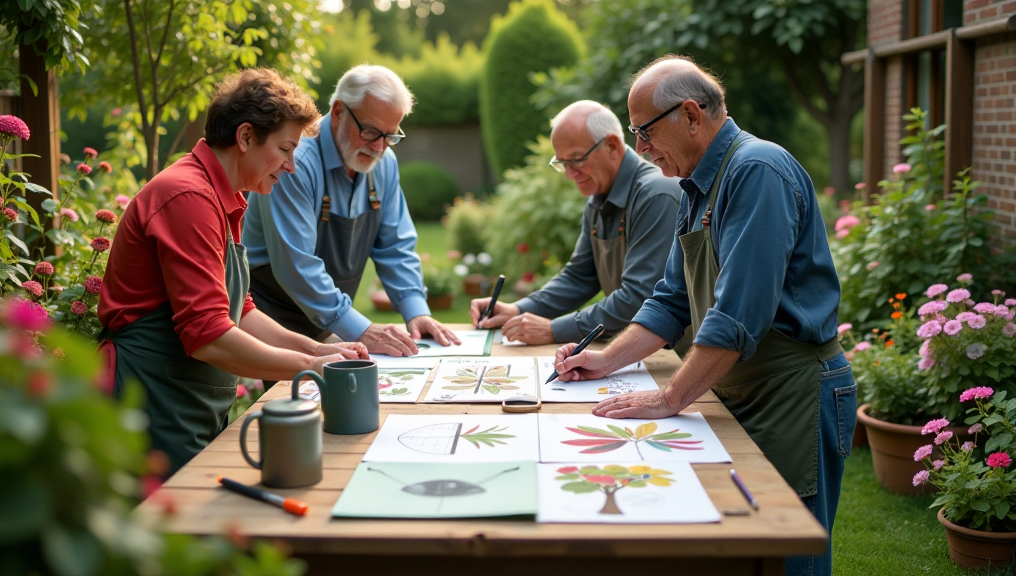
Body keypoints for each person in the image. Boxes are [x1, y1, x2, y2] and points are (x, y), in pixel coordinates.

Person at [553, 56, 855, 576]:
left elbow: (737, 314)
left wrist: (671, 396)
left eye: (645, 132)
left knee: (787, 556)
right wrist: (606, 361)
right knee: (738, 548)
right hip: (741, 389)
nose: (641, 149)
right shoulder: (697, 184)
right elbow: (670, 300)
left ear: (691, 115)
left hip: (794, 395)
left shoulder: (756, 171)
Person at [99, 68, 368, 475]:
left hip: (183, 401)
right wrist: (309, 368)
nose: (292, 166)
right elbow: (208, 335)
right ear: (245, 137)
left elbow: (239, 310)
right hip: (150, 403)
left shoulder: (224, 196)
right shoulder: (188, 196)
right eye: (285, 149)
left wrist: (318, 350)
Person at [242, 65, 460, 359]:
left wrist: (416, 310)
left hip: (328, 312)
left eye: (390, 136)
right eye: (370, 132)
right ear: (337, 112)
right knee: (302, 401)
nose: (379, 147)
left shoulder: (384, 163)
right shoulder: (295, 162)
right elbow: (296, 266)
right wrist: (360, 330)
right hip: (272, 311)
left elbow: (395, 246)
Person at [468, 101, 683, 346]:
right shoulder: (599, 197)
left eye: (577, 160)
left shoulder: (656, 195)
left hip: (674, 357)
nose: (570, 174)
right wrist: (518, 310)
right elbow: (579, 276)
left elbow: (639, 298)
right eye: (562, 164)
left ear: (612, 145)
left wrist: (554, 330)